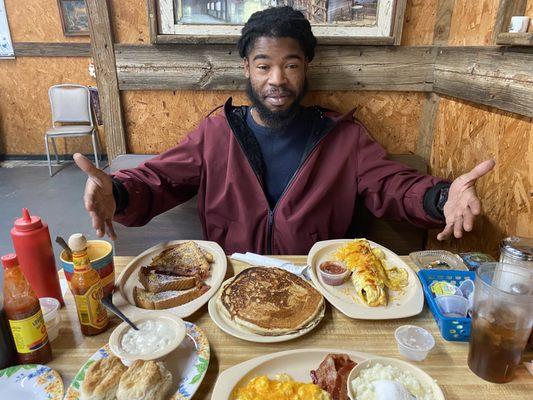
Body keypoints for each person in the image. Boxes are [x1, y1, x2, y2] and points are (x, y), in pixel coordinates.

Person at [74, 7, 494, 255]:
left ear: (306, 68)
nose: (277, 79)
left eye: (290, 65)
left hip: (319, 288)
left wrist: (441, 197)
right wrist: (120, 191)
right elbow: (160, 179)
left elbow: (393, 186)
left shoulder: (343, 138)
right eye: (264, 65)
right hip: (229, 285)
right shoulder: (216, 133)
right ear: (247, 70)